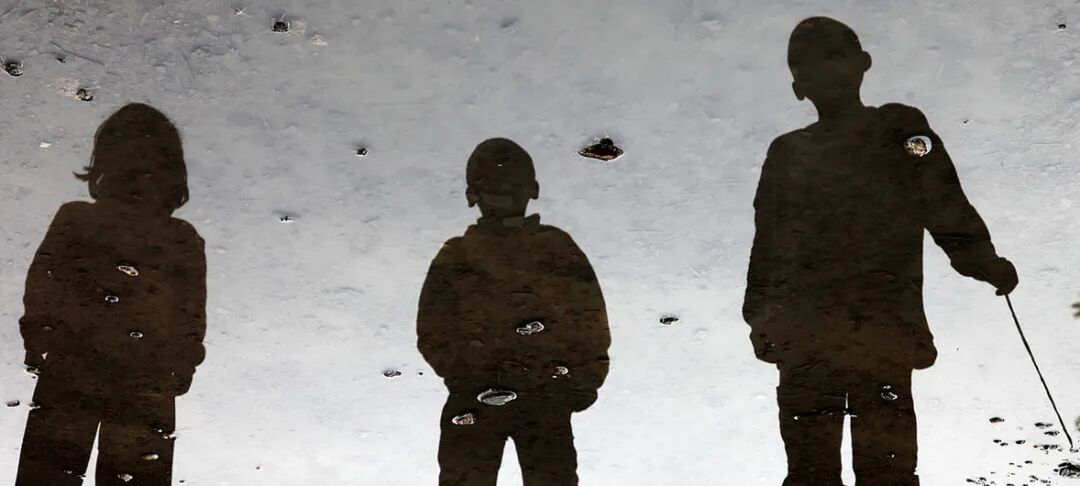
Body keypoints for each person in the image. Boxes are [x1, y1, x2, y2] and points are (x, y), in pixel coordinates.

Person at [743, 17, 1018, 486]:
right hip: (848, 333)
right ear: (798, 87)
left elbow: (943, 203)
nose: (823, 71)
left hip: (842, 334)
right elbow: (768, 243)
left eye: (832, 57)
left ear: (863, 63)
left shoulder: (894, 129)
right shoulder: (797, 151)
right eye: (807, 65)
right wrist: (760, 317)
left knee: (865, 470)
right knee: (836, 470)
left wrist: (982, 262)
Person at [16, 103, 207, 485]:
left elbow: (45, 281)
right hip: (133, 373)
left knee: (49, 472)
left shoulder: (79, 220)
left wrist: (38, 337)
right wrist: (183, 363)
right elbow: (189, 312)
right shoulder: (178, 238)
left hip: (89, 367)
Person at [417, 138, 611, 485]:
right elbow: (433, 330)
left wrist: (576, 383)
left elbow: (589, 322)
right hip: (479, 399)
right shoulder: (457, 255)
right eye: (496, 191)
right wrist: (470, 377)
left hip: (541, 398)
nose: (503, 199)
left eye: (508, 189)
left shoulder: (555, 249)